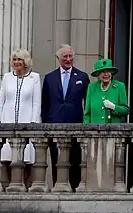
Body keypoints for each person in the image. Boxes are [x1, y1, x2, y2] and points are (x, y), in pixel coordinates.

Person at [41, 44, 90, 191]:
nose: (68, 59)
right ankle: (58, 189)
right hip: (54, 125)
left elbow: (87, 102)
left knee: (75, 161)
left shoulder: (82, 76)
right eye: (65, 57)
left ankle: (74, 191)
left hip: (76, 125)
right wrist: (46, 124)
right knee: (57, 160)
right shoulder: (50, 78)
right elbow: (45, 103)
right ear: (58, 58)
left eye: (70, 56)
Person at [0, 48, 41, 189]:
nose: (16, 62)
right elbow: (1, 100)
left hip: (27, 121)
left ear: (25, 61)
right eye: (14, 59)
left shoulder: (35, 77)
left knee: (26, 157)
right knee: (6, 156)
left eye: (19, 59)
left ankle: (25, 187)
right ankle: (7, 186)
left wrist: (34, 122)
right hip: (7, 120)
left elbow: (36, 102)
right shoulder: (7, 77)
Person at [84, 58, 129, 124]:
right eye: (103, 72)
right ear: (98, 74)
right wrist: (86, 130)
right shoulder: (92, 87)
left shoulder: (119, 86)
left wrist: (114, 107)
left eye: (108, 71)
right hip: (95, 131)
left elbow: (126, 110)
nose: (106, 74)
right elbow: (87, 113)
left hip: (113, 131)